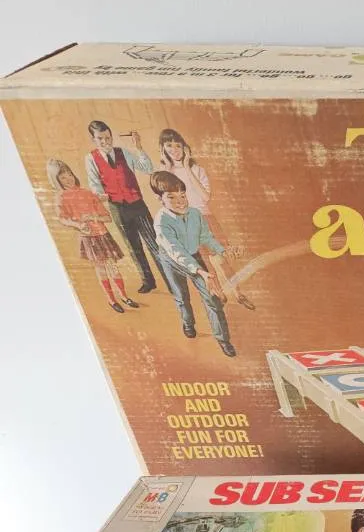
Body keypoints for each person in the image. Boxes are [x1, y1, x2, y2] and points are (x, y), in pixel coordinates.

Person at [157, 128, 254, 309]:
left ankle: (238, 293)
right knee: (204, 262)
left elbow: (205, 197)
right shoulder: (164, 172)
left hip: (205, 217)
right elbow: (164, 197)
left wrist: (187, 167)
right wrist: (168, 168)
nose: (174, 150)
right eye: (169, 146)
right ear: (163, 148)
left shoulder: (197, 169)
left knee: (221, 258)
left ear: (185, 147)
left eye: (178, 145)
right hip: (185, 223)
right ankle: (219, 294)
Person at [150, 170, 235, 357]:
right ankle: (188, 324)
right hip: (171, 260)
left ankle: (223, 340)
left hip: (194, 256)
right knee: (181, 296)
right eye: (172, 197)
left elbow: (206, 237)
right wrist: (200, 271)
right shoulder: (161, 221)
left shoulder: (196, 213)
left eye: (182, 195)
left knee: (212, 299)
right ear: (160, 199)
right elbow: (175, 251)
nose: (180, 201)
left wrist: (222, 250)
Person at [47, 158, 136, 313]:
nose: (68, 179)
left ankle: (124, 296)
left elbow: (107, 217)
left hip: (103, 235)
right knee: (101, 269)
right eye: (63, 177)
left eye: (69, 174)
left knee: (113, 267)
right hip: (88, 238)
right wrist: (78, 224)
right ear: (57, 180)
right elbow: (62, 218)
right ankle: (111, 299)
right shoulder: (61, 197)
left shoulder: (87, 193)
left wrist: (93, 217)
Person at [83, 120, 163, 294]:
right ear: (93, 139)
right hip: (117, 207)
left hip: (137, 204)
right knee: (134, 247)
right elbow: (94, 183)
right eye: (100, 139)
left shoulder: (124, 152)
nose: (105, 142)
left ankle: (170, 279)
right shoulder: (91, 158)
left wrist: (138, 147)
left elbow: (147, 168)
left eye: (108, 137)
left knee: (154, 243)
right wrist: (100, 195)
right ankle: (148, 281)